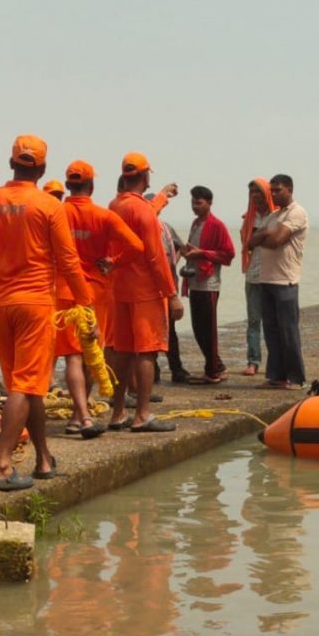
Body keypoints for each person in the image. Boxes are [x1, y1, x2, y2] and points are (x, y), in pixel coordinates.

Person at [0, 134, 94, 490]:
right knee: (24, 384)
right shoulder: (50, 206)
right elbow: (68, 260)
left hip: (1, 306)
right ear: (43, 168)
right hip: (35, 304)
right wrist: (85, 304)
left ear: (10, 165)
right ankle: (1, 466)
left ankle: (43, 458)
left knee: (30, 385)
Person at [56, 160, 144, 438]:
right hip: (95, 292)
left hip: (62, 290)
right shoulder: (103, 216)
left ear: (68, 185)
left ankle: (78, 415)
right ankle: (78, 416)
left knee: (71, 356)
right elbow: (137, 246)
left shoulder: (55, 212)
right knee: (92, 354)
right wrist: (113, 262)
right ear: (91, 186)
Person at [107, 152, 183, 432]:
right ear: (145, 176)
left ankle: (117, 413)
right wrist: (171, 293)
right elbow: (155, 256)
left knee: (122, 352)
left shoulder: (115, 205)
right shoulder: (141, 210)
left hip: (120, 289)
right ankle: (142, 415)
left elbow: (143, 215)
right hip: (145, 291)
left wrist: (161, 196)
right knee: (147, 352)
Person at [248, 174, 308, 389]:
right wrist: (264, 232)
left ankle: (296, 377)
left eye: (278, 190)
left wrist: (265, 235)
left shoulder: (297, 213)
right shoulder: (273, 217)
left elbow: (275, 242)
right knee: (271, 331)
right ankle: (277, 376)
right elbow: (250, 241)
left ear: (290, 189)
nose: (273, 194)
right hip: (266, 280)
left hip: (285, 281)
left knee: (288, 331)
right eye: (271, 190)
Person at [181, 186, 234, 384]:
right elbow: (192, 248)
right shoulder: (195, 224)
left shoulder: (217, 225)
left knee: (208, 329)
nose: (195, 207)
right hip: (195, 281)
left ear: (209, 203)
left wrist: (202, 253)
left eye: (199, 203)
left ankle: (213, 371)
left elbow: (228, 254)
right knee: (198, 328)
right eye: (193, 203)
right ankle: (215, 365)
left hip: (209, 284)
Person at [238, 178, 276, 376]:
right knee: (254, 320)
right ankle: (253, 360)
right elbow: (245, 243)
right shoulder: (250, 218)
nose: (255, 196)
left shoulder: (276, 216)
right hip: (253, 274)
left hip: (273, 275)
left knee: (273, 321)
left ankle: (276, 362)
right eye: (252, 193)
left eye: (259, 192)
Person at [158, 217, 191, 383]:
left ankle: (175, 369)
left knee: (169, 331)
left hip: (167, 286)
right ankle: (158, 370)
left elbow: (182, 248)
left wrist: (173, 261)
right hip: (153, 290)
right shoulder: (162, 227)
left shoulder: (165, 228)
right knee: (157, 333)